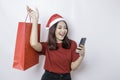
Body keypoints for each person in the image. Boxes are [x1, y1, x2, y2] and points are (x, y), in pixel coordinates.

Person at [27, 6, 85, 80]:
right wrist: (35, 20)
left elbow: (73, 67)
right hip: (48, 77)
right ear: (53, 30)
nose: (63, 30)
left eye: (65, 28)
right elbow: (34, 44)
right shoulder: (48, 45)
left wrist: (81, 56)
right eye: (60, 28)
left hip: (66, 77)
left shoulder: (72, 44)